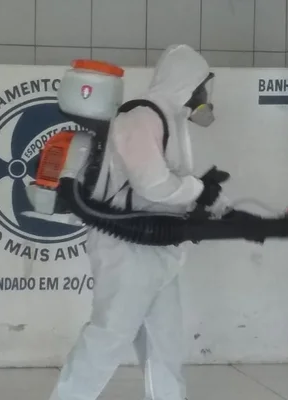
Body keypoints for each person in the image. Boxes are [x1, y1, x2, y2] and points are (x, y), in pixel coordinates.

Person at [49, 44, 223, 400]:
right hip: (126, 248)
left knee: (165, 343)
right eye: (202, 87)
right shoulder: (141, 116)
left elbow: (164, 185)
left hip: (160, 250)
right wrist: (196, 188)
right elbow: (152, 184)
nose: (204, 97)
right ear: (185, 82)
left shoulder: (170, 119)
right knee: (109, 335)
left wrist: (199, 194)